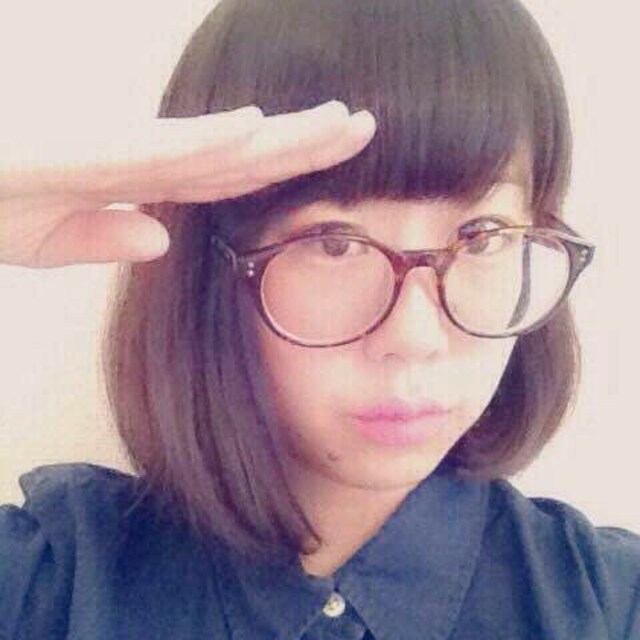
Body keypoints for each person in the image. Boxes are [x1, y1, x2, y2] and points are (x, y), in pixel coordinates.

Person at [0, 0, 638, 638]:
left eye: (483, 236)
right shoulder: (44, 589)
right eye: (335, 243)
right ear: (211, 268)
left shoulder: (610, 606)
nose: (415, 338)